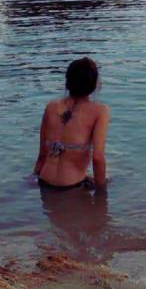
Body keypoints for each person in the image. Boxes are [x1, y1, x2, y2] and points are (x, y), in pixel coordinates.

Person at [34, 57, 109, 190]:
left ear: (68, 82)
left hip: (43, 181)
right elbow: (97, 158)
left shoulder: (51, 107)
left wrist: (34, 179)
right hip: (71, 186)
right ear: (93, 83)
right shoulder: (100, 111)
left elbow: (42, 155)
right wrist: (101, 193)